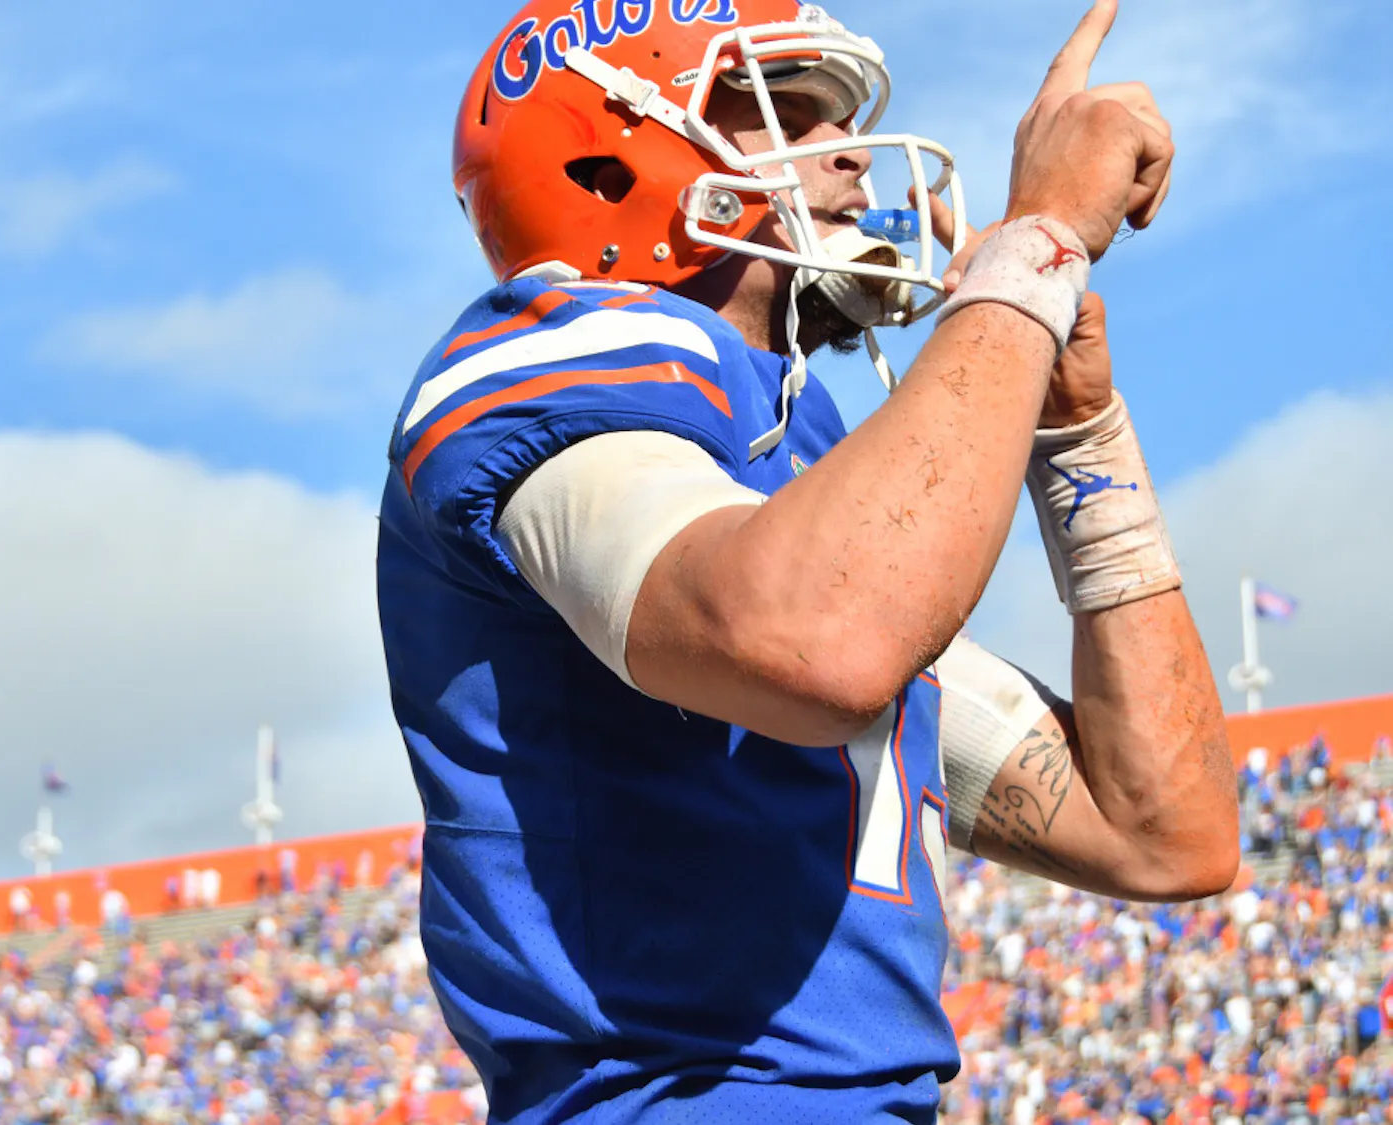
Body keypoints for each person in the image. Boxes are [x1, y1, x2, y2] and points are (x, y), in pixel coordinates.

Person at [375, 1, 1239, 1121]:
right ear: (607, 162)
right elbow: (819, 643)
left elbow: (1166, 832)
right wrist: (1034, 252)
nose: (845, 152)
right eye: (782, 107)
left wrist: (1079, 431)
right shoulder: (557, 353)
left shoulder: (784, 473)